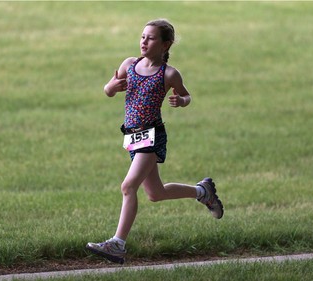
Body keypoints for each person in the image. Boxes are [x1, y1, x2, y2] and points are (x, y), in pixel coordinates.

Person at [86, 19, 223, 264]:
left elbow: (186, 95)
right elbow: (108, 89)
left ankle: (117, 244)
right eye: (142, 37)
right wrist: (112, 86)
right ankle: (203, 192)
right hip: (132, 136)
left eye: (151, 38)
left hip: (152, 136)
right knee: (155, 193)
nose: (144, 42)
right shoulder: (129, 64)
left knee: (128, 186)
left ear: (165, 45)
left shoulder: (169, 74)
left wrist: (181, 102)